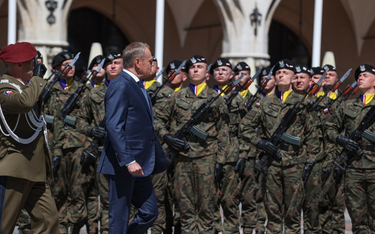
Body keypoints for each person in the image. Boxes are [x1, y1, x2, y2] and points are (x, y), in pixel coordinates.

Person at [239, 59, 322, 233]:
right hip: (271, 164)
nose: (281, 75)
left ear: (293, 79)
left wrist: (309, 162)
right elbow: (244, 128)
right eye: (278, 73)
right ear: (274, 79)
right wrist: (260, 143)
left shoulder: (304, 103)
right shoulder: (264, 102)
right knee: (273, 213)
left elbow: (312, 136)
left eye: (285, 73)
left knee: (292, 215)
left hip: (295, 164)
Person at [154, 55, 231, 233]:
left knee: (206, 212)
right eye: (192, 67)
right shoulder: (176, 97)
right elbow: (156, 119)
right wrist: (167, 137)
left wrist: (220, 161)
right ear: (187, 73)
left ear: (207, 74)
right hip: (182, 161)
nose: (196, 69)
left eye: (200, 67)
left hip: (207, 159)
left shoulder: (216, 98)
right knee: (185, 211)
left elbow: (223, 132)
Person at [98, 42, 168, 233]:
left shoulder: (137, 85)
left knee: (150, 212)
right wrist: (128, 160)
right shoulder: (121, 85)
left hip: (141, 164)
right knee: (119, 219)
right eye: (150, 59)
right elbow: (114, 126)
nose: (152, 63)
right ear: (137, 62)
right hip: (124, 164)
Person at [0, 42, 59, 233]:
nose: (34, 66)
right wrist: (37, 80)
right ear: (18, 65)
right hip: (14, 168)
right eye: (31, 62)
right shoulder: (5, 88)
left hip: (35, 167)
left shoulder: (27, 87)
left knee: (48, 221)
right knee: (4, 225)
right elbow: (24, 103)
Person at [325, 64, 375, 233]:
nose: (360, 78)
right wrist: (341, 140)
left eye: (365, 75)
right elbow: (329, 127)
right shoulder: (347, 106)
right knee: (358, 220)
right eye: (358, 76)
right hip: (354, 169)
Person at [210, 57, 243, 234]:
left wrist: (243, 155)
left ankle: (231, 231)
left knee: (230, 200)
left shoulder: (238, 98)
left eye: (224, 70)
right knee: (211, 198)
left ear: (231, 75)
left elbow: (246, 128)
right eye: (217, 70)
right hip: (209, 152)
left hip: (231, 154)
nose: (221, 73)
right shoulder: (206, 96)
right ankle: (215, 229)